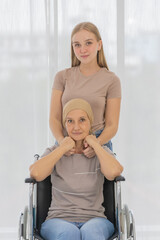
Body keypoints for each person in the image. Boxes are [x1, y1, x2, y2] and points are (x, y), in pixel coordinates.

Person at [30, 98, 123, 240]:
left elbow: (115, 172)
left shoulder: (101, 152)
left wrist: (96, 144)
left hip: (95, 219)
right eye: (70, 121)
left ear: (90, 122)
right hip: (58, 220)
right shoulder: (55, 151)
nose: (76, 127)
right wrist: (62, 148)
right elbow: (35, 173)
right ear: (64, 124)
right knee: (69, 234)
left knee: (91, 233)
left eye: (82, 120)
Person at [49, 22, 121, 157]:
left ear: (99, 45)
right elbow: (54, 118)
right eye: (77, 45)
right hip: (67, 143)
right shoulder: (61, 77)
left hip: (98, 143)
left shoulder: (112, 80)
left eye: (88, 43)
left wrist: (96, 144)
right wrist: (62, 142)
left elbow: (112, 125)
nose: (82, 50)